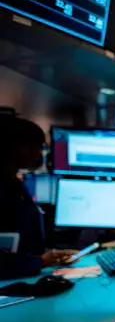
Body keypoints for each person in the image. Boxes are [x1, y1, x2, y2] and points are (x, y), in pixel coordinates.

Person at [0, 114, 76, 280]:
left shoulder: (15, 184)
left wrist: (47, 256)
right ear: (15, 147)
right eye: (35, 146)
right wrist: (39, 261)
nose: (39, 153)